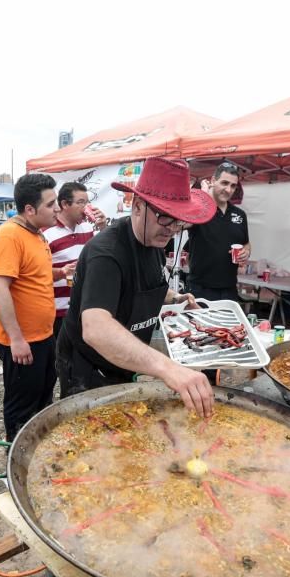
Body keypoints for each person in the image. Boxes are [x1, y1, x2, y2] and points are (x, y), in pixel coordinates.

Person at [56, 157, 216, 417]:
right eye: (166, 218)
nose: (172, 230)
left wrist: (177, 298)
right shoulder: (105, 253)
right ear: (138, 206)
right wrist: (167, 368)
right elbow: (96, 328)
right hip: (88, 365)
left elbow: (145, 286)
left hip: (123, 363)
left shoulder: (153, 241)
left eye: (179, 222)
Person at [0, 174, 59, 441]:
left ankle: (38, 447)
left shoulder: (36, 234)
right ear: (30, 209)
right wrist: (16, 339)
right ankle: (17, 456)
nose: (57, 209)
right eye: (51, 204)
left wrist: (60, 272)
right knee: (22, 405)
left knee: (42, 395)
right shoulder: (8, 236)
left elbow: (32, 275)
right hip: (21, 340)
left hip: (42, 334)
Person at [43, 181, 105, 338]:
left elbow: (107, 252)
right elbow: (38, 272)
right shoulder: (46, 232)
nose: (85, 207)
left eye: (87, 202)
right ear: (64, 204)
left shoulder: (88, 228)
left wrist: (104, 228)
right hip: (58, 311)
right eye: (80, 202)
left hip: (84, 307)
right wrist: (62, 272)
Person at [186, 161, 249, 301]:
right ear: (213, 181)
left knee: (229, 324)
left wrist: (246, 252)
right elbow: (182, 224)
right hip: (200, 289)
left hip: (230, 289)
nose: (228, 190)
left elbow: (246, 243)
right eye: (224, 183)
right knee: (199, 324)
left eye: (233, 186)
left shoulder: (239, 214)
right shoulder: (201, 209)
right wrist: (202, 199)